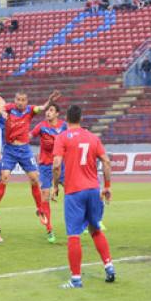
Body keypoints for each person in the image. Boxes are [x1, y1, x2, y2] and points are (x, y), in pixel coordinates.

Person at [52, 105, 114, 288]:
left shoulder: (62, 137)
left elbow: (56, 164)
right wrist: (107, 186)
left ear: (66, 118)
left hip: (74, 192)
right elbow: (107, 161)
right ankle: (109, 266)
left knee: (73, 235)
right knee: (95, 229)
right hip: (94, 190)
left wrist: (55, 185)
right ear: (81, 118)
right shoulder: (93, 137)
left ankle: (76, 279)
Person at [0, 90, 60, 242]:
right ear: (15, 100)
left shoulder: (30, 110)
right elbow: (1, 108)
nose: (20, 102)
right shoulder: (9, 108)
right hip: (10, 149)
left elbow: (41, 108)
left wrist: (48, 101)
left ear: (26, 101)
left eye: (23, 100)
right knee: (5, 177)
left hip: (25, 150)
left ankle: (39, 209)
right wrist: (1, 113)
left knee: (35, 179)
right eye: (18, 99)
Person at [31, 103, 68, 241]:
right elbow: (30, 135)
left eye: (51, 110)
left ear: (57, 113)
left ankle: (83, 222)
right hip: (45, 166)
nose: (48, 112)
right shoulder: (41, 126)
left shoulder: (64, 126)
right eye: (47, 110)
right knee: (45, 195)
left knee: (72, 191)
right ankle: (49, 229)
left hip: (61, 165)